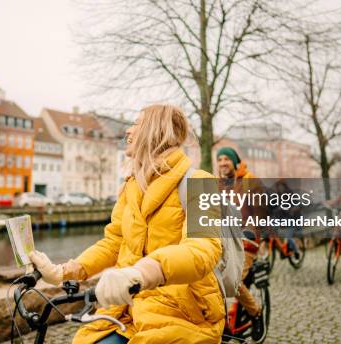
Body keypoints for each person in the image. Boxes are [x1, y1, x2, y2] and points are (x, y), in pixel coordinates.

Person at [29, 104, 225, 344]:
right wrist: (63, 272)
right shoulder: (132, 186)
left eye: (137, 124)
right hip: (126, 308)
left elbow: (202, 251)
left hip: (182, 313)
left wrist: (142, 272)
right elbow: (114, 243)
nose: (128, 132)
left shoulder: (202, 183)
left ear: (157, 131)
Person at [216, 147, 266, 342]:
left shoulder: (250, 181)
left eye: (226, 159)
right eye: (219, 159)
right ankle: (222, 321)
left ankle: (256, 313)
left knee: (232, 280)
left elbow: (261, 213)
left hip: (246, 241)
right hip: (223, 240)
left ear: (235, 161)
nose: (222, 163)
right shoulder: (218, 184)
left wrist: (250, 231)